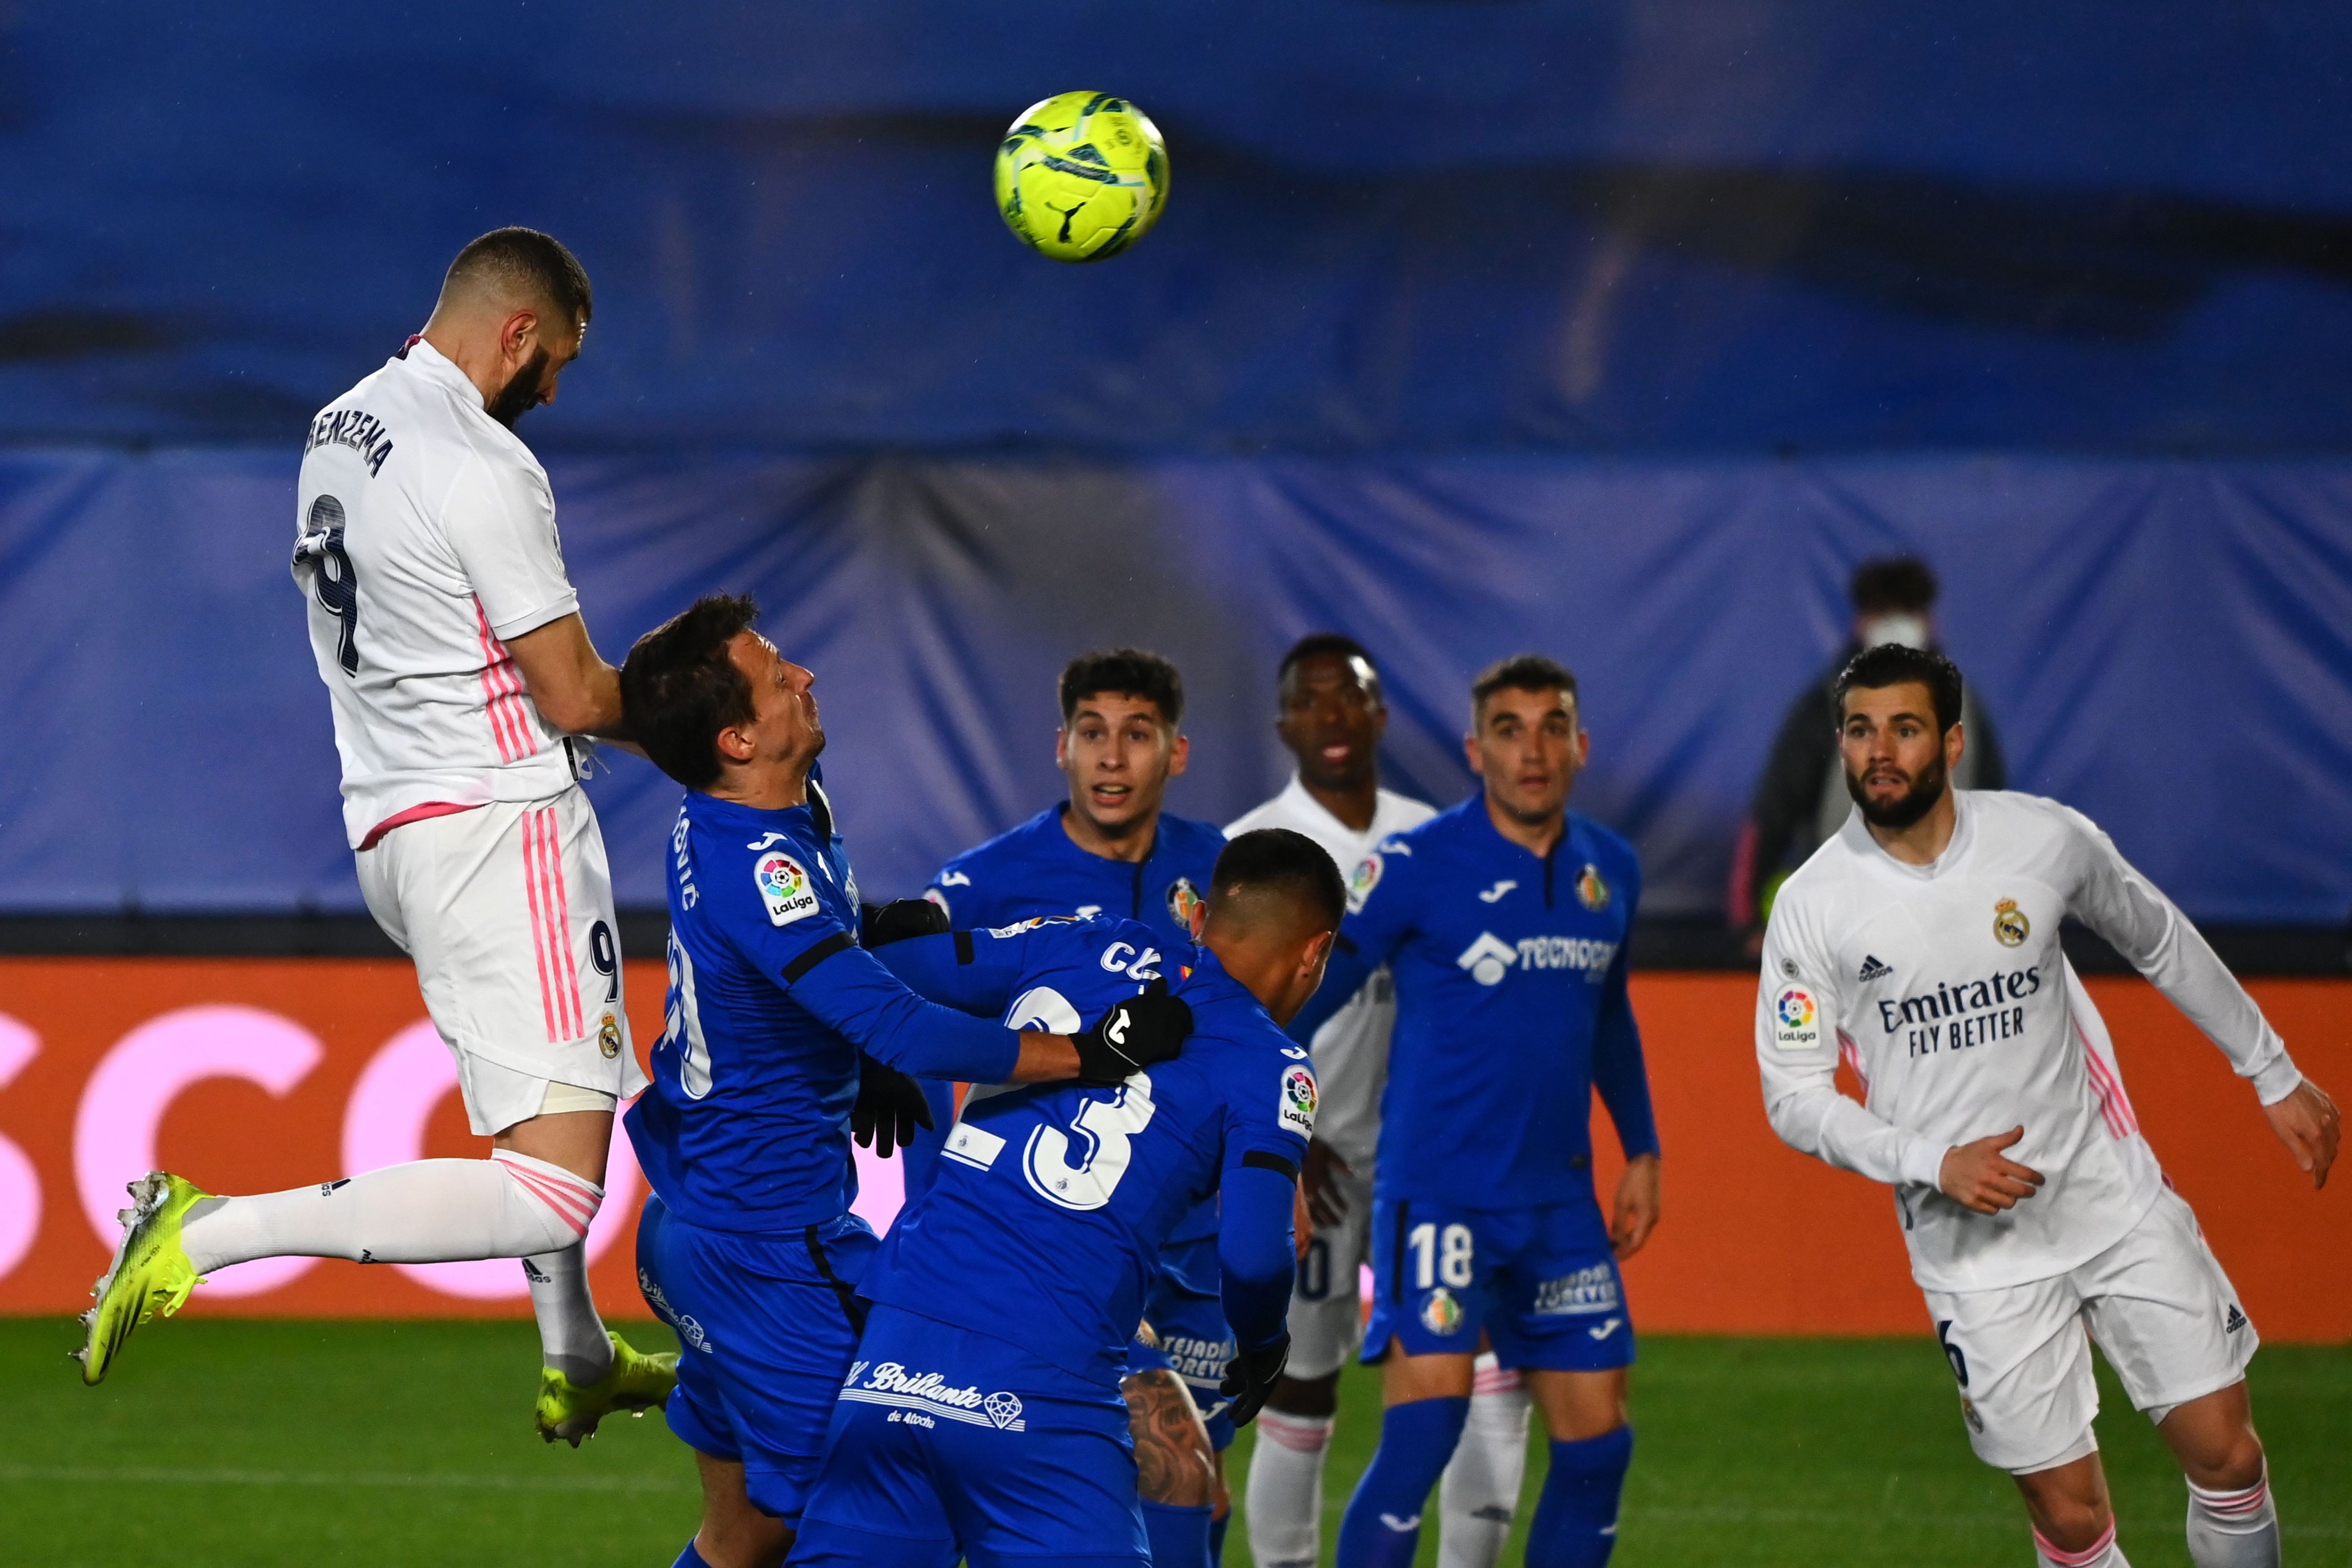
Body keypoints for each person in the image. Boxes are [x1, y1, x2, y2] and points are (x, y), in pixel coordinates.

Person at [79, 228, 674, 1441]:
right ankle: (204, 1228)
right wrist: (704, 707)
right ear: (516, 334)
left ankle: (576, 1351)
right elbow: (572, 696)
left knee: (539, 1106)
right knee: (553, 1185)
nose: (553, 389)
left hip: (396, 829)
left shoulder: (339, 425)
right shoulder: (483, 463)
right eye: (553, 359)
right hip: (499, 827)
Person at [613, 595, 1194, 1568]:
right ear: (737, 738)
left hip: (701, 1228)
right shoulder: (757, 868)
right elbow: (898, 1022)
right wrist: (1091, 1054)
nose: (805, 677)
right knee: (880, 1507)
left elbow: (863, 999)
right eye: (777, 677)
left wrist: (862, 1051)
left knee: (745, 1532)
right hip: (771, 1253)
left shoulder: (770, 789)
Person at [1756, 643, 2340, 1568]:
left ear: (1950, 743)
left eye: (1904, 729)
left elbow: (2159, 938)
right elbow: (1792, 1096)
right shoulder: (1813, 906)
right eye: (1861, 731)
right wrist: (1931, 1162)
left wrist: (2269, 1070)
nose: (1880, 751)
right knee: (2072, 1522)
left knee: (2228, 1456)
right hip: (1972, 1250)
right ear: (1839, 746)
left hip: (2108, 1194)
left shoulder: (2043, 839)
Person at [790, 829, 1343, 1568]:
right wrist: (1265, 1345)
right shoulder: (1272, 1068)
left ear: (1201, 919)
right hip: (1044, 1376)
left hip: (898, 1339)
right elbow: (1252, 1255)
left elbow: (878, 966)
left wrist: (879, 1053)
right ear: (1316, 953)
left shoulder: (1087, 943)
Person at [1291, 654, 1662, 1568]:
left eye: (1551, 727)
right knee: (1422, 1440)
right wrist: (1274, 1127)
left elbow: (1606, 1011)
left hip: (1560, 1208)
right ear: (1474, 750)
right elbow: (1306, 996)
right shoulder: (1413, 868)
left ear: (1581, 745)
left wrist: (1643, 1148)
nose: (1531, 750)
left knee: (1599, 1445)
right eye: (1509, 729)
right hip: (1441, 1200)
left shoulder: (1611, 868)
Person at [912, 647, 1239, 1564]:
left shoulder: (1225, 877)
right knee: (1098, 1482)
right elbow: (907, 1039)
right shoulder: (984, 885)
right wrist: (939, 1214)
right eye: (1092, 734)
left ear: (1175, 753)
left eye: (1137, 736)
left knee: (1196, 1491)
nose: (1111, 757)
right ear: (1061, 747)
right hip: (1060, 1246)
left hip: (1198, 1238)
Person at [1229, 635, 1529, 1568]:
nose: (1331, 716)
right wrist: (1287, 1136)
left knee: (1479, 1366)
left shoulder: (1431, 836)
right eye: (1309, 701)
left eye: (1348, 697)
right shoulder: (1256, 847)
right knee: (1301, 1388)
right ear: (1283, 723)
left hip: (1430, 1167)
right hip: (1316, 1169)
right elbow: (1232, 1013)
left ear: (1380, 716)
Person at [1731, 555, 2008, 954]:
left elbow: (1995, 818)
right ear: (1860, 622)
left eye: (1908, 611)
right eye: (1883, 611)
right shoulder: (1826, 707)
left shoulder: (1965, 710)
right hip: (1845, 929)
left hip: (1945, 930)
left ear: (1931, 621)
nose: (1896, 624)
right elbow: (1771, 816)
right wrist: (1748, 925)